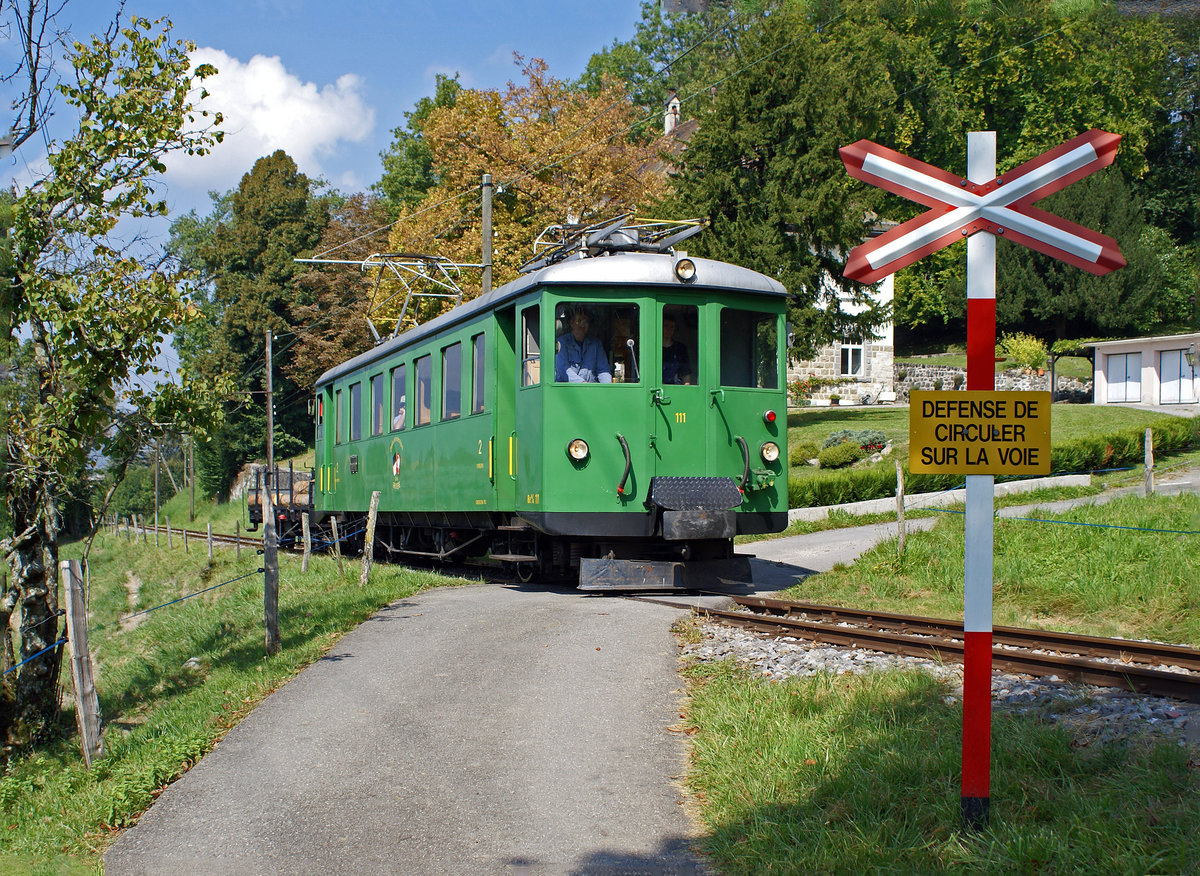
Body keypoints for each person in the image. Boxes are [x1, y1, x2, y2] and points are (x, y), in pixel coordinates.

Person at [555, 306, 612, 383]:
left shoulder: (596, 344)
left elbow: (603, 370)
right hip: (565, 391)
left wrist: (607, 389)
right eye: (579, 320)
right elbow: (563, 369)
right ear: (571, 323)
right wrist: (583, 384)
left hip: (591, 392)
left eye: (585, 321)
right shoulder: (561, 342)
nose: (582, 325)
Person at [661, 314, 692, 385]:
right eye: (666, 326)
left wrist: (687, 389)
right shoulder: (654, 347)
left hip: (676, 387)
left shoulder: (680, 348)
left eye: (672, 327)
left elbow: (686, 372)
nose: (669, 330)